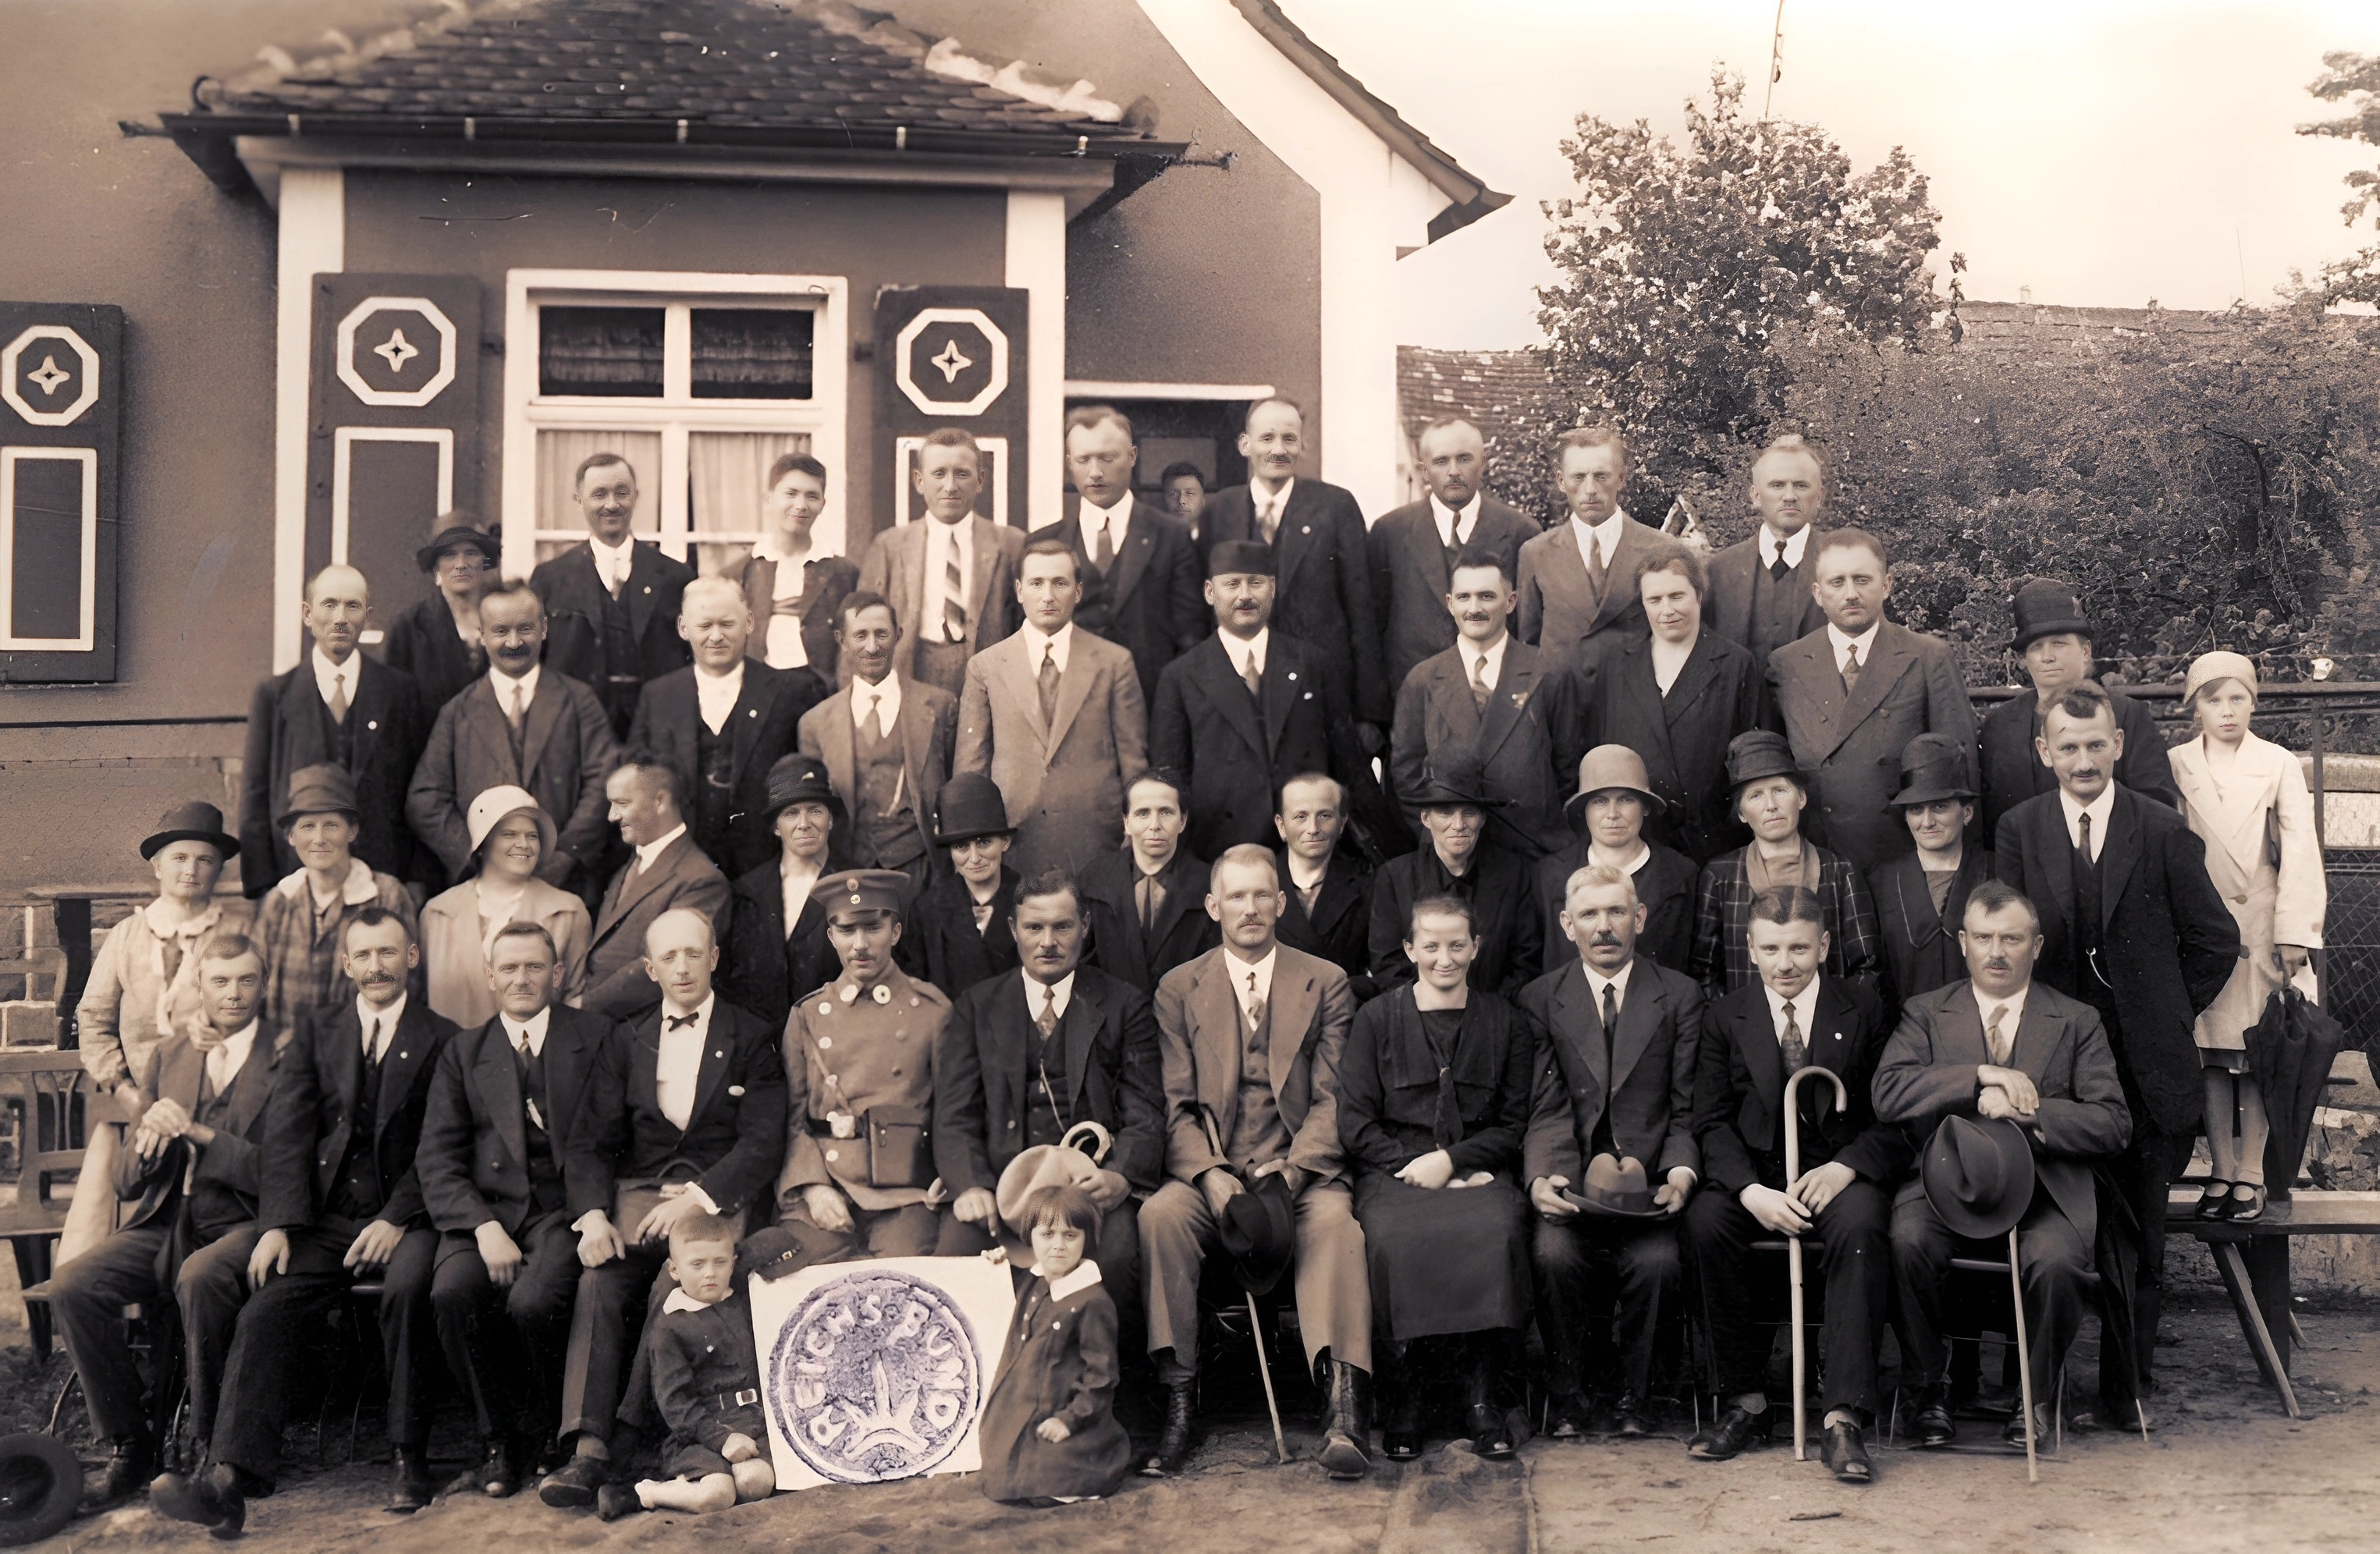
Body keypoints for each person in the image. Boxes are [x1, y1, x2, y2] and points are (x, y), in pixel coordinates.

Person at [1994, 680, 2237, 1413]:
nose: (2083, 760)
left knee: (2139, 1235)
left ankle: (2127, 1390)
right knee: (2043, 1226)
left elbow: (2215, 940)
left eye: (2096, 744)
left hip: (2145, 1072)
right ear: (2044, 752)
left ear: (2119, 745)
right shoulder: (2021, 828)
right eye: (2067, 747)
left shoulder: (2159, 829)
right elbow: (2006, 941)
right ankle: (2033, 1392)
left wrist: (2162, 1009)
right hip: (2052, 1070)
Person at [176, 908, 456, 1520]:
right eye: (364, 955)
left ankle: (409, 1456)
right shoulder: (318, 1029)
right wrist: (278, 1223)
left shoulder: (444, 1036)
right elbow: (287, 1136)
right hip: (328, 1219)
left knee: (408, 1288)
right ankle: (233, 1473)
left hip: (407, 1216)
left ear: (410, 958)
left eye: (389, 953)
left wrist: (397, 1217)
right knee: (267, 1302)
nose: (376, 966)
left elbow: (441, 1145)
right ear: (347, 964)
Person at [1139, 846, 1372, 1479]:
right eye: (1235, 897)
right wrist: (1211, 1178)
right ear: (1214, 907)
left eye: (1261, 895)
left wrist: (1293, 1174)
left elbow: (1333, 1097)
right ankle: (1180, 1399)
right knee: (1161, 1216)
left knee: (1335, 1229)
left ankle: (1342, 1405)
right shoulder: (1178, 989)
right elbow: (1175, 1104)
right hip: (1214, 1167)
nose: (1250, 908)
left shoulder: (1323, 981)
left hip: (1299, 1168)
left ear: (1281, 902)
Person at [1873, 881, 2132, 1446]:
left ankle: (2034, 1397)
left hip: (2044, 1186)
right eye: (1984, 938)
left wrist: (2030, 1117)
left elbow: (2113, 1122)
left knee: (2058, 1261)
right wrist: (1978, 1076)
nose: (1996, 952)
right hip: (1948, 1183)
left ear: (2036, 946)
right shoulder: (1927, 1013)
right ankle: (1930, 1387)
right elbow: (1888, 1093)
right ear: (1963, 941)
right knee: (1907, 1239)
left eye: (2012, 938)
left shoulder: (2076, 1019)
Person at [545, 907, 788, 1509]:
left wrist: (700, 1199)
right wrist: (594, 1216)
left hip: (713, 1202)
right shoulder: (624, 1038)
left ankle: (629, 1441)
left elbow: (763, 1140)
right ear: (650, 968)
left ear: (714, 958)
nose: (682, 967)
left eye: (693, 953)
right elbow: (589, 1143)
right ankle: (589, 1451)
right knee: (599, 1282)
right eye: (669, 958)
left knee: (669, 1287)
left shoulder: (751, 1034)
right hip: (638, 1200)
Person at [51, 935, 282, 1519]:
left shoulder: (289, 1057)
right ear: (199, 986)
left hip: (248, 1222)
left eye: (246, 981)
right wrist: (150, 1145)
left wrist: (207, 1138)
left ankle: (212, 1458)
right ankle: (132, 1444)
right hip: (169, 1221)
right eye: (221, 982)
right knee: (74, 1285)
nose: (233, 994)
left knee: (200, 1278)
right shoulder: (171, 1054)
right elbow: (129, 1183)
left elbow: (291, 1170)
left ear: (265, 985)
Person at [1683, 886, 1907, 1483]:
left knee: (1862, 1226)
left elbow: (1894, 1117)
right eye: (1773, 948)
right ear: (1750, 949)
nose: (1787, 963)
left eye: (1801, 948)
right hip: (1756, 1178)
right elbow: (1710, 1120)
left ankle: (1842, 1417)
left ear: (1826, 945)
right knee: (1707, 1222)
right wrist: (1749, 1191)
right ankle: (1746, 1403)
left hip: (1836, 1174)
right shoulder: (1724, 1015)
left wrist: (1846, 1168)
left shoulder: (1864, 1007)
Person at [417, 922, 620, 1500]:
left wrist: (590, 1212)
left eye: (535, 967)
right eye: (509, 968)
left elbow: (601, 1138)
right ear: (490, 977)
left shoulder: (594, 1036)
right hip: (482, 1214)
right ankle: (496, 1442)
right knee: (453, 1292)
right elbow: (437, 1155)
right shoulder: (464, 1051)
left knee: (534, 1304)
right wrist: (481, 1227)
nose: (522, 979)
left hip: (558, 1210)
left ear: (557, 975)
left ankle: (544, 1433)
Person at [1335, 895, 1537, 1460]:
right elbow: (1355, 1120)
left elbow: (1514, 1122)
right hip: (1393, 1172)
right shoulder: (1376, 1020)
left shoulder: (1506, 1022)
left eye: (1456, 945)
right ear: (1409, 950)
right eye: (1431, 946)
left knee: (1497, 1229)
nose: (1443, 958)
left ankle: (1481, 1400)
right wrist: (1414, 1166)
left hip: (1477, 1172)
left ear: (1476, 948)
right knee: (1396, 1239)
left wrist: (1454, 1163)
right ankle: (1409, 1399)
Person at [933, 869, 1163, 1339]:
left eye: (1062, 927)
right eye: (1034, 928)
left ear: (1085, 927)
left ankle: (1110, 1401)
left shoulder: (1123, 1005)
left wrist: (1120, 1175)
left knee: (1117, 1259)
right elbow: (954, 1114)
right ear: (1014, 929)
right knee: (954, 1260)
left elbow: (1145, 1109)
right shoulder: (976, 1006)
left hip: (1089, 1192)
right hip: (1004, 1190)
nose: (1048, 942)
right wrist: (972, 1185)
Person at [1520, 865, 1702, 1439]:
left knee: (1658, 1264)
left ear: (1640, 918)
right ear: (1567, 924)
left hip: (1646, 1187)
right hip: (1575, 1186)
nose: (1605, 928)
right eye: (1591, 916)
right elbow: (1545, 1105)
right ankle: (1570, 1396)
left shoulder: (1678, 995)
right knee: (1553, 1256)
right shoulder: (1541, 999)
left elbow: (1686, 1103)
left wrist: (1678, 1171)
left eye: (1617, 913)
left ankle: (1637, 1396)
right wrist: (1544, 1179)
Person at [2169, 652, 2325, 1222]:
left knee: (2256, 1052)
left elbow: (2301, 847)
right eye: (2213, 699)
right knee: (2210, 1053)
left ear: (2254, 701)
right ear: (2195, 708)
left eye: (2237, 697)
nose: (2226, 710)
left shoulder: (2278, 762)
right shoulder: (2178, 764)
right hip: (2204, 926)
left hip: (2261, 920)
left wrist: (2293, 932)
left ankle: (2252, 1172)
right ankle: (2221, 1168)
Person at [745, 871, 950, 1278]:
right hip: (826, 1187)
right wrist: (813, 1187)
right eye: (847, 930)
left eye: (873, 928)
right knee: (774, 1275)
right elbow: (793, 1116)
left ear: (895, 932)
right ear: (831, 936)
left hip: (904, 1195)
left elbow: (953, 1112)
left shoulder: (932, 1011)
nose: (860, 945)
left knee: (899, 1288)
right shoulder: (807, 1015)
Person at [73, 804, 250, 1262]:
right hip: (137, 1106)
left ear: (218, 869)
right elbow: (93, 1019)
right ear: (156, 865)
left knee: (206, 1225)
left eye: (205, 859)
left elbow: (256, 1011)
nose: (191, 870)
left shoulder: (237, 932)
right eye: (179, 857)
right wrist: (127, 1091)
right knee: (117, 1231)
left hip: (214, 1105)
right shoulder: (127, 935)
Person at [1767, 528, 1977, 875]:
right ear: (1818, 593)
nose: (1851, 594)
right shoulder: (1785, 664)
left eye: (1862, 579)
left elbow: (1962, 773)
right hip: (1818, 859)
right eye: (1837, 582)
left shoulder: (1927, 657)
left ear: (1887, 585)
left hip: (1903, 860)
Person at [1152, 540, 1367, 861]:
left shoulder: (1313, 664)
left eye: (1256, 583)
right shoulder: (1181, 676)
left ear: (1273, 588)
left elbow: (1347, 763)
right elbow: (1171, 779)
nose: (1245, 596)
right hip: (1220, 850)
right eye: (1232, 584)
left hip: (1305, 849)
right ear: (1210, 593)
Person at [407, 577, 620, 896]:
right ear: (482, 635)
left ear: (544, 629)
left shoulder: (579, 701)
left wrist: (564, 856)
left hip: (565, 886)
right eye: (500, 631)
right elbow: (425, 799)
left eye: (525, 629)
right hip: (483, 889)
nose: (513, 642)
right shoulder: (458, 713)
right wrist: (478, 855)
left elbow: (604, 782)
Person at [956, 537, 1149, 878]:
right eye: (1036, 584)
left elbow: (1134, 761)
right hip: (1014, 843)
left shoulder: (1113, 662)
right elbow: (972, 770)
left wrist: (1130, 833)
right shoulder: (986, 666)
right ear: (1019, 590)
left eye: (1060, 583)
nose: (1047, 596)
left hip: (1095, 839)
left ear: (1077, 592)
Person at [1195, 397, 1390, 732]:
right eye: (1267, 438)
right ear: (1246, 444)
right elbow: (1203, 609)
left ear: (1302, 445)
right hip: (1240, 686)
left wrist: (1369, 714)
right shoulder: (1219, 511)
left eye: (1289, 439)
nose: (1278, 450)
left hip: (1319, 689)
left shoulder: (1335, 506)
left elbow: (1362, 612)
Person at [240, 562, 429, 894]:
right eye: (329, 604)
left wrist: (415, 880)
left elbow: (417, 790)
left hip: (381, 879)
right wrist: (263, 890)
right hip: (296, 882)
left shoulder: (399, 691)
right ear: (307, 614)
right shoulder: (274, 696)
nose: (341, 617)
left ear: (367, 616)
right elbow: (255, 798)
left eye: (352, 606)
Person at [627, 575, 826, 878]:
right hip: (682, 869)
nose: (716, 636)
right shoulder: (658, 696)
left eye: (727, 624)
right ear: (683, 628)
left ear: (748, 623)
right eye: (704, 626)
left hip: (765, 869)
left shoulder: (790, 693)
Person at [1390, 548, 1586, 856]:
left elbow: (1568, 768)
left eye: (1486, 596)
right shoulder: (1423, 679)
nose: (1474, 608)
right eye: (1464, 597)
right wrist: (1441, 843)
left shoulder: (1548, 672)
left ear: (1510, 602)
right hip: (1456, 857)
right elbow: (1406, 774)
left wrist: (1545, 836)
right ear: (1450, 603)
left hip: (1532, 852)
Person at [1576, 542, 1764, 863]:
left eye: (1677, 596)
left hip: (1713, 843)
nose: (1667, 610)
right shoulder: (1617, 665)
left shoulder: (1735, 663)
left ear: (1699, 596)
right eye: (1655, 600)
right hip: (1638, 841)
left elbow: (1753, 764)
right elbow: (1598, 753)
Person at [1977, 578, 2179, 840]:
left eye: (2059, 643)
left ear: (2085, 651)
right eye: (2036, 647)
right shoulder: (2000, 725)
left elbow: (2158, 809)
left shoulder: (2126, 715)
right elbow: (1992, 820)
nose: (2047, 656)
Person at [605, 1213, 775, 1519]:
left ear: (733, 1263)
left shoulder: (744, 1303)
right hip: (701, 1433)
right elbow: (677, 1405)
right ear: (675, 1269)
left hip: (753, 1424)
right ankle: (651, 1492)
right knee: (717, 1494)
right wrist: (722, 1440)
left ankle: (709, 1483)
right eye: (697, 1265)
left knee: (756, 1482)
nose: (710, 1273)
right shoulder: (670, 1326)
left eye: (720, 1263)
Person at [1691, 732, 1882, 1002]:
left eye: (1780, 791)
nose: (1771, 806)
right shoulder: (1720, 877)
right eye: (1755, 796)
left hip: (1828, 1031)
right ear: (1743, 813)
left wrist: (1843, 1024)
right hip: (1747, 1034)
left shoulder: (1840, 871)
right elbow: (1704, 973)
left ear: (1801, 798)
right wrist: (1733, 1027)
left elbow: (1868, 966)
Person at [977, 1183, 1135, 1507]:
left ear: (1086, 1240)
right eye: (1047, 1235)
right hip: (1025, 1406)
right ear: (1030, 1237)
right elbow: (1008, 1281)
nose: (1058, 1247)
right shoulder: (1033, 1282)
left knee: (1048, 1481)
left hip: (1066, 1411)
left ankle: (1079, 1468)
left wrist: (1069, 1419)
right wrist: (993, 1265)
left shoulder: (1093, 1301)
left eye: (1070, 1235)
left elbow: (1101, 1377)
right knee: (1000, 1471)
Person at [1370, 417, 1541, 696]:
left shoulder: (1521, 532)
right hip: (1413, 697)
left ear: (1482, 463)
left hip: (1496, 697)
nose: (1453, 471)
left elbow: (1530, 629)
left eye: (1464, 459)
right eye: (1441, 462)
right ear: (1424, 471)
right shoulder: (1390, 532)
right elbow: (1373, 628)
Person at [797, 591, 958, 886]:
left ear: (898, 636)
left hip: (921, 870)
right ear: (842, 640)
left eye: (881, 634)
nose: (872, 647)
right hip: (847, 870)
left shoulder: (939, 706)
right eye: (860, 636)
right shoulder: (815, 723)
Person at [531, 451, 695, 739]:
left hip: (657, 727)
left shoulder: (675, 577)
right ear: (579, 500)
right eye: (599, 495)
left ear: (636, 496)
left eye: (622, 493)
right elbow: (538, 664)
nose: (612, 504)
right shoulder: (551, 578)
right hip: (577, 728)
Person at [1053, 405, 1205, 706]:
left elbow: (1190, 635)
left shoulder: (1171, 536)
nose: (1095, 472)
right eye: (1084, 460)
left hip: (1150, 702)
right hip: (1068, 707)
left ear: (1132, 457)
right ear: (1070, 463)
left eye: (1107, 458)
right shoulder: (1047, 542)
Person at [856, 428, 1025, 697]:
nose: (950, 486)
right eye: (939, 474)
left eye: (962, 474)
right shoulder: (890, 546)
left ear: (980, 481)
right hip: (913, 674)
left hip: (989, 680)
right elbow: (861, 629)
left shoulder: (1010, 545)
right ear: (919, 481)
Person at [251, 765, 417, 1030]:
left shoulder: (387, 895)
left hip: (360, 1055)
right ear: (292, 837)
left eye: (331, 825)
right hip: (287, 1057)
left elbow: (410, 986)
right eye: (307, 827)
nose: (319, 839)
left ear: (352, 831)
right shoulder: (279, 901)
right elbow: (253, 986)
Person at [1369, 757, 1543, 997]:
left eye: (1469, 813)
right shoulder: (1394, 877)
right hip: (1418, 1016)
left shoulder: (1513, 873)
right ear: (1426, 819)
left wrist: (1490, 1012)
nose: (1458, 825)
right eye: (1445, 812)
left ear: (1482, 818)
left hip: (1496, 1014)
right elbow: (1387, 967)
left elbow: (1526, 960)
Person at [420, 786, 591, 1028]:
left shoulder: (568, 911)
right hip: (453, 1061)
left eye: (532, 836)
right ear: (483, 842)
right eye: (510, 834)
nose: (524, 844)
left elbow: (578, 1000)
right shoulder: (437, 914)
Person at [584, 755, 732, 1020]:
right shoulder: (633, 862)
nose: (611, 816)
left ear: (660, 801)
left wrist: (582, 1006)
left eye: (623, 803)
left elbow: (667, 967)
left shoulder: (701, 880)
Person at [1533, 747, 1699, 974]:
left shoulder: (1681, 874)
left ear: (1646, 807)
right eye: (1600, 801)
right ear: (1584, 810)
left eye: (1626, 800)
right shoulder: (1549, 874)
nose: (1613, 813)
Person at [718, 754, 844, 1033]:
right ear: (776, 826)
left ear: (831, 819)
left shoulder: (852, 884)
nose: (803, 823)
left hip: (835, 1039)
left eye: (815, 810)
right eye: (790, 813)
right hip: (762, 1048)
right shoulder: (746, 892)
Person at [1516, 427, 1662, 661]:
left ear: (1621, 478)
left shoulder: (1661, 550)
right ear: (1561, 481)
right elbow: (1528, 644)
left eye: (1602, 476)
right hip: (1563, 695)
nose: (1591, 489)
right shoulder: (1536, 554)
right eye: (1579, 477)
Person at [1871, 734, 1994, 1003]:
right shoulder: (1883, 881)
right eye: (1916, 809)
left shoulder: (1995, 872)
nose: (1927, 822)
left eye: (1940, 806)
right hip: (1907, 1033)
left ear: (1967, 813)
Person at [1081, 772, 1220, 994]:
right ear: (1126, 822)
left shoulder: (1209, 883)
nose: (1154, 825)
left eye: (1166, 812)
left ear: (1182, 821)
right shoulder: (1094, 879)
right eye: (1143, 813)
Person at [727, 452, 860, 679]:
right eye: (790, 494)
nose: (801, 505)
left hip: (819, 695)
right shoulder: (739, 572)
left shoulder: (843, 574)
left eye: (812, 496)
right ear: (769, 498)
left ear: (823, 504)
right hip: (757, 691)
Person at [1703, 435, 1831, 662]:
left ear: (1819, 497)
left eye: (1801, 485)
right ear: (1756, 496)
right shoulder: (1719, 570)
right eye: (1777, 485)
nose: (1789, 496)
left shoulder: (1841, 567)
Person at [899, 772, 1023, 999]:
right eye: (961, 847)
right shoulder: (926, 911)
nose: (974, 858)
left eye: (984, 842)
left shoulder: (1030, 902)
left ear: (1005, 842)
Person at [384, 513, 498, 719]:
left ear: (485, 562)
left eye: (471, 553)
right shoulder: (409, 628)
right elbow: (394, 713)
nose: (461, 564)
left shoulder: (507, 622)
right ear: (436, 566)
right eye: (450, 555)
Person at [1273, 773, 1376, 998]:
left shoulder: (1368, 885)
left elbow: (1384, 973)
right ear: (1281, 826)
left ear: (1342, 824)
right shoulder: (1256, 884)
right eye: (1301, 817)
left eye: (1325, 815)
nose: (1313, 828)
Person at [1160, 461, 1210, 545]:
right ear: (1163, 499)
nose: (1181, 501)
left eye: (1190, 494)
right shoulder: (1155, 542)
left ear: (1203, 499)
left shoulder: (1214, 541)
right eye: (1174, 494)